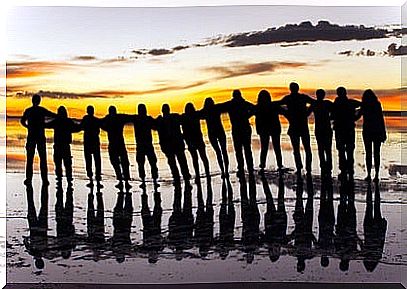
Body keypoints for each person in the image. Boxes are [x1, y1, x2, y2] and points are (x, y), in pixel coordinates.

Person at [280, 82, 315, 177]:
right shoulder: (300, 97)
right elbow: (314, 103)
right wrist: (286, 113)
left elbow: (278, 104)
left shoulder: (291, 98)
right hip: (300, 126)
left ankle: (303, 168)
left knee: (300, 149)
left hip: (299, 126)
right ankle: (305, 168)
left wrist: (286, 113)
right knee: (305, 149)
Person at [20, 94, 56, 185]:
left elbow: (22, 121)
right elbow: (53, 115)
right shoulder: (40, 110)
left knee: (30, 160)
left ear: (32, 101)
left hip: (33, 137)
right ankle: (44, 180)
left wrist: (27, 126)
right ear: (38, 101)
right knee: (42, 159)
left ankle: (30, 179)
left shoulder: (29, 111)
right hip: (38, 137)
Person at [219, 90, 256, 177]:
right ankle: (248, 168)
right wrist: (248, 115)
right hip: (244, 128)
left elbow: (220, 107)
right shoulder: (243, 103)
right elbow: (254, 109)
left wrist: (247, 116)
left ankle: (243, 168)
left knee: (240, 150)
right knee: (246, 149)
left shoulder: (231, 104)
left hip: (238, 129)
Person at [156, 104, 191, 185]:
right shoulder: (163, 120)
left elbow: (184, 121)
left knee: (179, 161)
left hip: (176, 144)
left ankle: (182, 177)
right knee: (176, 162)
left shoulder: (173, 117)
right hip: (171, 145)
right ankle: (180, 177)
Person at [45, 106, 81, 184]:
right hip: (65, 146)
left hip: (59, 145)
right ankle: (68, 179)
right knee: (67, 164)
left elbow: (46, 125)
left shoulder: (57, 121)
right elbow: (77, 128)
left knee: (59, 164)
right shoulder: (68, 121)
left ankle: (60, 179)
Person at [332, 87, 361, 180]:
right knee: (349, 150)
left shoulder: (336, 104)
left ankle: (344, 169)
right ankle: (349, 169)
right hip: (348, 129)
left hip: (341, 129)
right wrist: (357, 115)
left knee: (342, 150)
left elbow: (332, 116)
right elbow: (362, 105)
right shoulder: (350, 103)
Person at [101, 106, 133, 190]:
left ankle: (124, 181)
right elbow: (131, 118)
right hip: (117, 144)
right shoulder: (118, 117)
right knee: (119, 163)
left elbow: (101, 124)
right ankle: (123, 181)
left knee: (121, 163)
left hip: (116, 144)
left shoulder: (114, 118)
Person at [255, 89, 285, 174]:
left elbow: (253, 117)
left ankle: (262, 166)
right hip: (274, 128)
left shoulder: (258, 107)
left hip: (264, 130)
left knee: (264, 148)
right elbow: (284, 112)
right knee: (276, 147)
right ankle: (279, 165)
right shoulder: (273, 105)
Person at [360, 89, 387, 182]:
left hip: (368, 131)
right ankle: (376, 175)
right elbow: (381, 119)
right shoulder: (376, 104)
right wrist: (383, 132)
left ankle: (369, 175)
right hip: (377, 131)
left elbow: (356, 116)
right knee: (376, 153)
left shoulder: (364, 105)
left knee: (368, 153)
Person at [200, 97, 229, 177]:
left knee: (219, 152)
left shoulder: (205, 111)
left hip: (213, 133)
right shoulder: (216, 108)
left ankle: (224, 171)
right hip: (219, 132)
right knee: (223, 151)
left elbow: (195, 114)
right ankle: (225, 171)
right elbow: (227, 104)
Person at [132, 104, 159, 188]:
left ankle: (150, 180)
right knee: (144, 163)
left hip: (145, 145)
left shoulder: (141, 119)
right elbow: (155, 126)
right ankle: (147, 180)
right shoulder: (142, 119)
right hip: (143, 145)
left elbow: (155, 126)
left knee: (151, 163)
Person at [182, 103, 210, 182]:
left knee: (197, 158)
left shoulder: (187, 117)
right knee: (201, 157)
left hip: (194, 141)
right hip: (196, 140)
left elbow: (184, 132)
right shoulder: (195, 115)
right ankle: (205, 174)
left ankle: (200, 175)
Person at [308, 89, 334, 177]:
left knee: (321, 149)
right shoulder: (327, 103)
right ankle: (328, 167)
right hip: (325, 128)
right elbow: (335, 112)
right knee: (327, 149)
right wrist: (330, 118)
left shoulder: (315, 104)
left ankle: (324, 167)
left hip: (320, 128)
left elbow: (306, 113)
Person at [80, 105, 103, 188]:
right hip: (93, 142)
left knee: (90, 160)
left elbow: (80, 127)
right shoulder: (95, 120)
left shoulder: (86, 119)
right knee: (96, 160)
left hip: (90, 142)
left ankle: (92, 178)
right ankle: (96, 178)